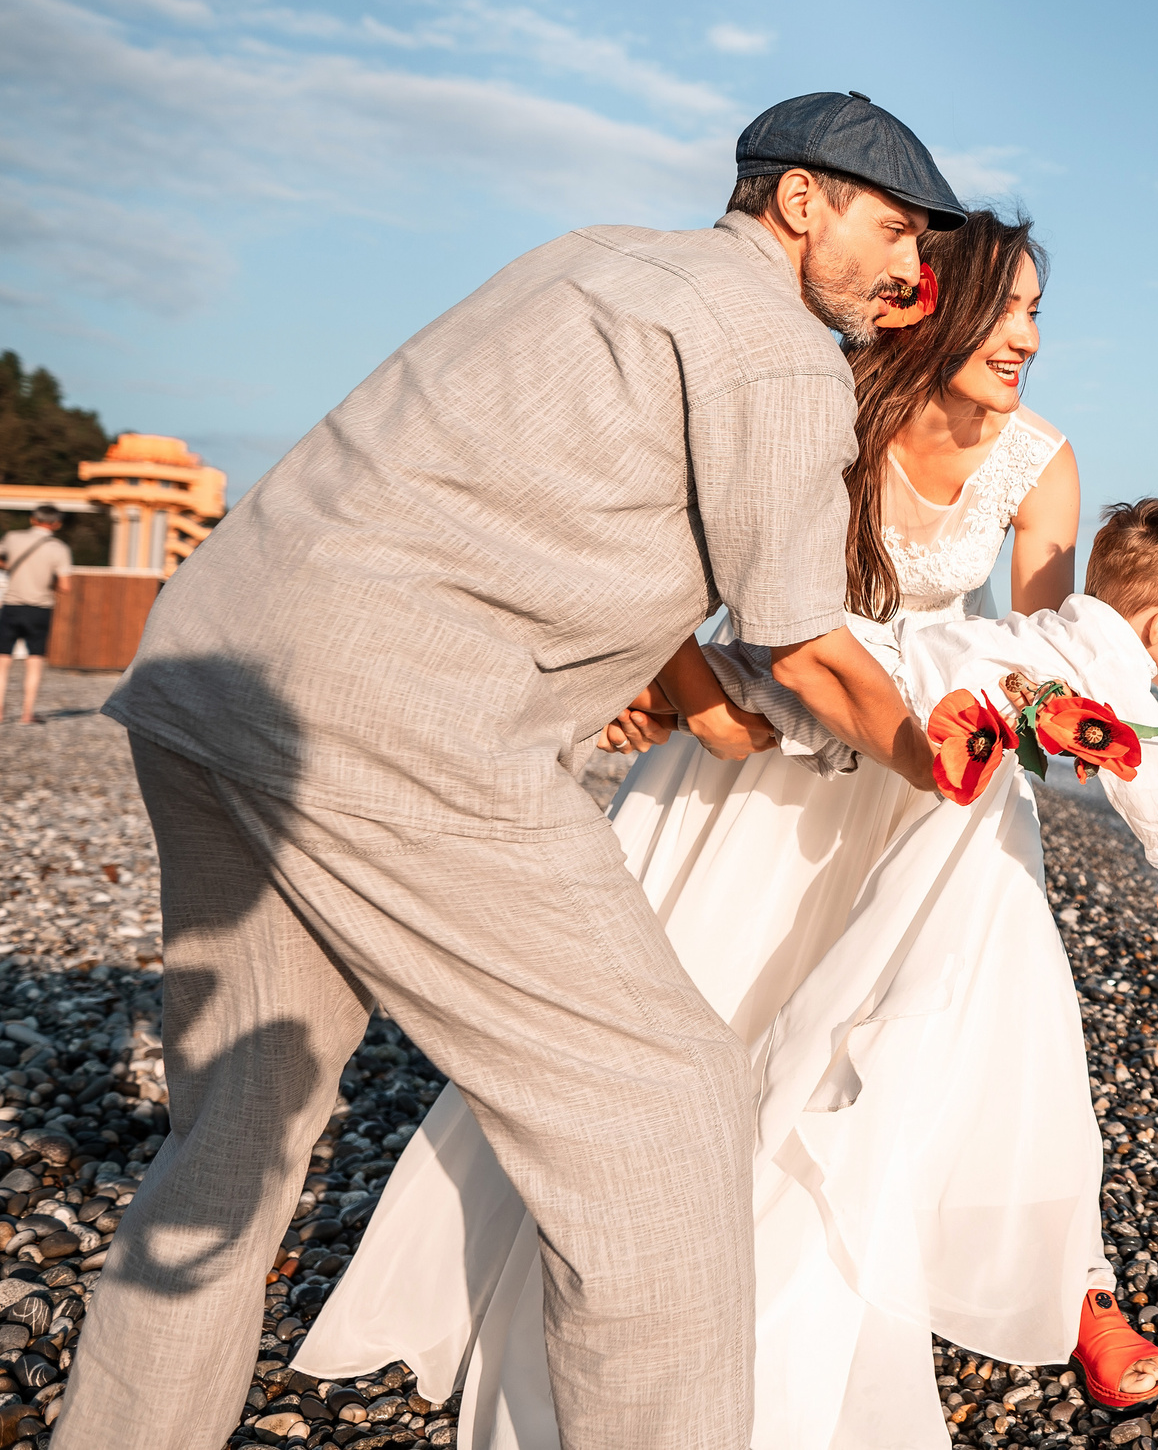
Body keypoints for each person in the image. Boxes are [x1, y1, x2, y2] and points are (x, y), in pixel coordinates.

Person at [58, 92, 966, 1450]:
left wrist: (676, 701)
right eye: (893, 228)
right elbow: (802, 642)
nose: (911, 271)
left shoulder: (583, 257)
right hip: (396, 726)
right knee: (665, 1111)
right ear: (797, 201)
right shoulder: (777, 350)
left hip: (209, 677)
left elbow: (617, 597)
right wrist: (937, 750)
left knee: (233, 1147)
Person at [304, 497, 1158, 1450]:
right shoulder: (1115, 659)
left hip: (893, 683)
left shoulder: (1057, 607)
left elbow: (1104, 728)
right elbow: (1136, 752)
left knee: (775, 708)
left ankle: (1052, 1269)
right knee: (908, 1010)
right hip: (891, 704)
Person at [1, 504, 72, 725]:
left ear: (33, 519)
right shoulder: (59, 549)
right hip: (40, 609)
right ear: (57, 524)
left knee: (2, 662)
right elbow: (65, 586)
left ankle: (0, 713)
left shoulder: (12, 537)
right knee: (34, 661)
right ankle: (26, 714)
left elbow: (2, 560)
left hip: (12, 605)